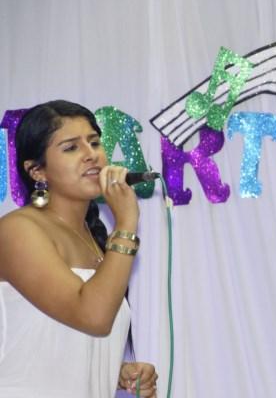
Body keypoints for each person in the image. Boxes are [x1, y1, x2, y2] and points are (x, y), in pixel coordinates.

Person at [0, 100, 158, 397]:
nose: (91, 155)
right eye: (71, 147)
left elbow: (64, 341)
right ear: (37, 171)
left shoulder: (95, 240)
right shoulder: (17, 231)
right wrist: (126, 224)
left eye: (94, 142)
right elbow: (93, 316)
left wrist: (115, 372)